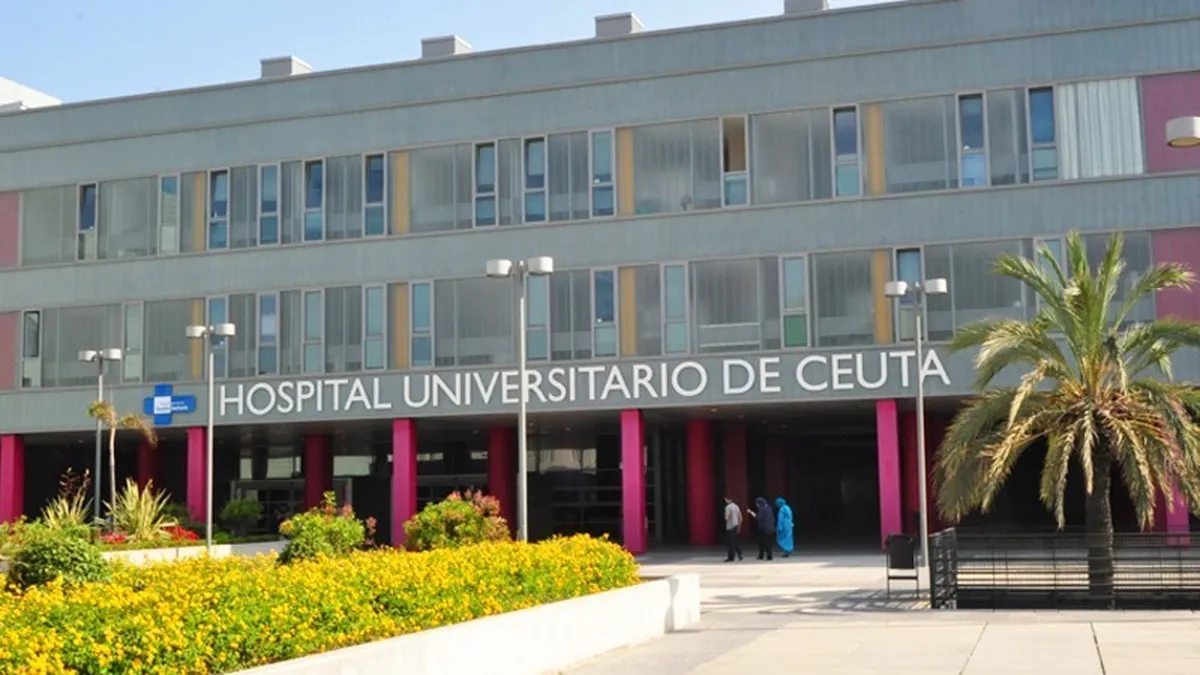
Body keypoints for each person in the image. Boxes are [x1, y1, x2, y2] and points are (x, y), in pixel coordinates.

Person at [723, 496, 744, 562]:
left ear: (726, 500)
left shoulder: (727, 507)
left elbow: (727, 518)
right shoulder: (736, 506)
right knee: (735, 541)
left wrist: (725, 517)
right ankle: (740, 554)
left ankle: (731, 557)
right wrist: (739, 527)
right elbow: (740, 517)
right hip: (736, 525)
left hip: (730, 526)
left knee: (730, 543)